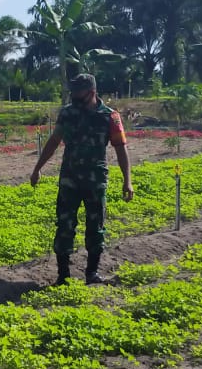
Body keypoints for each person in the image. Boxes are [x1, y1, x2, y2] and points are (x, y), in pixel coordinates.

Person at [30, 73, 134, 285]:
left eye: (78, 91)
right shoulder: (68, 113)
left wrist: (127, 181)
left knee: (96, 226)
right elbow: (54, 141)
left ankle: (92, 273)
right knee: (65, 225)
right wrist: (37, 168)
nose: (74, 95)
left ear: (91, 92)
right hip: (69, 179)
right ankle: (63, 276)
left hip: (95, 181)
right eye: (74, 91)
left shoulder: (110, 117)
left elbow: (121, 149)